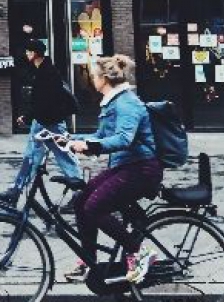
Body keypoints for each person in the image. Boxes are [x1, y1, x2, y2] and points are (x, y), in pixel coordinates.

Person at [61, 54, 162, 285]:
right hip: (126, 166)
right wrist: (70, 139)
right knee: (81, 200)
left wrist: (90, 146)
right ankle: (88, 261)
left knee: (94, 207)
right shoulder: (113, 101)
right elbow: (101, 136)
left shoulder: (127, 103)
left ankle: (139, 253)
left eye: (93, 76)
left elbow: (124, 139)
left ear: (104, 79)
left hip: (142, 169)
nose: (92, 80)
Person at [0, 39, 82, 206]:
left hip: (51, 124)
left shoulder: (48, 73)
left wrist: (27, 116)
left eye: (28, 51)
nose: (26, 54)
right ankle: (15, 191)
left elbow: (45, 102)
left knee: (62, 156)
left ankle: (80, 194)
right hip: (43, 122)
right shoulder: (41, 70)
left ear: (34, 53)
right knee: (33, 157)